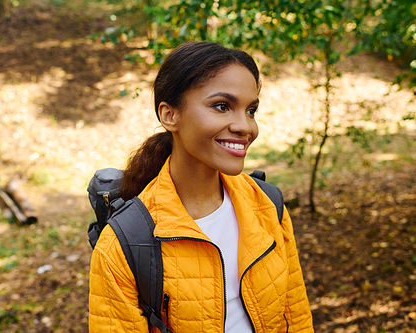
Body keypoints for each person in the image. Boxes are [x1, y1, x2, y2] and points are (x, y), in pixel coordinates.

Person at [89, 41, 314, 333]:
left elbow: (296, 318)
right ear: (170, 115)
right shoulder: (124, 243)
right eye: (222, 106)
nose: (245, 127)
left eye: (251, 110)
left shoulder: (268, 205)